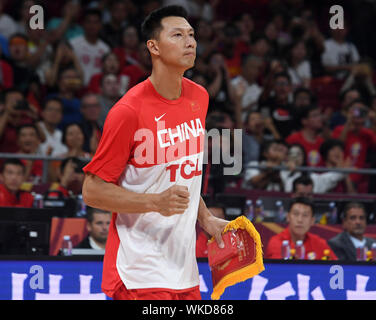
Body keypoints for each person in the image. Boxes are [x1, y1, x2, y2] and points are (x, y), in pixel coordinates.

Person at [82, 5, 227, 300]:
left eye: (191, 35)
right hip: (139, 269)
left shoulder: (199, 97)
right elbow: (92, 191)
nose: (190, 42)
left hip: (184, 270)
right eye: (178, 35)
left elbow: (180, 175)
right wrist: (154, 202)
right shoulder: (127, 111)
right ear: (154, 46)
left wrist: (205, 218)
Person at [265, 197, 337, 260]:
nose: (300, 220)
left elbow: (336, 266)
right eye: (296, 214)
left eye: (305, 215)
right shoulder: (277, 242)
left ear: (312, 221)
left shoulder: (320, 243)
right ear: (288, 217)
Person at [69, 8, 110, 85]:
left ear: (100, 25)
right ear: (83, 24)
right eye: (89, 22)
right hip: (77, 86)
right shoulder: (73, 44)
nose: (92, 26)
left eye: (95, 22)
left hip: (98, 88)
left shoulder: (105, 48)